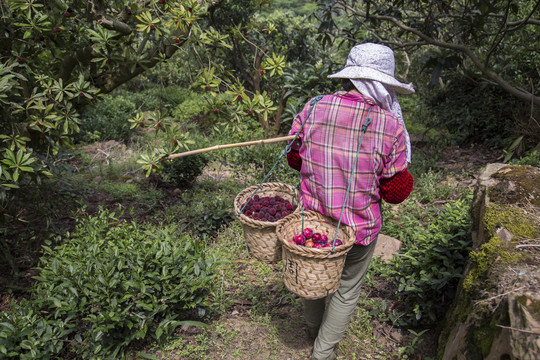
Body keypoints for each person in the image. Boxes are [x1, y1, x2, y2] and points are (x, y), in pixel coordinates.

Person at [286, 43, 415, 360]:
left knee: (312, 270)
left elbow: (293, 158)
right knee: (346, 288)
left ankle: (312, 330)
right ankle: (323, 351)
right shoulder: (390, 125)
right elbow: (395, 192)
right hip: (358, 226)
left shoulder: (314, 106)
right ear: (380, 84)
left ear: (349, 77)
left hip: (313, 220)